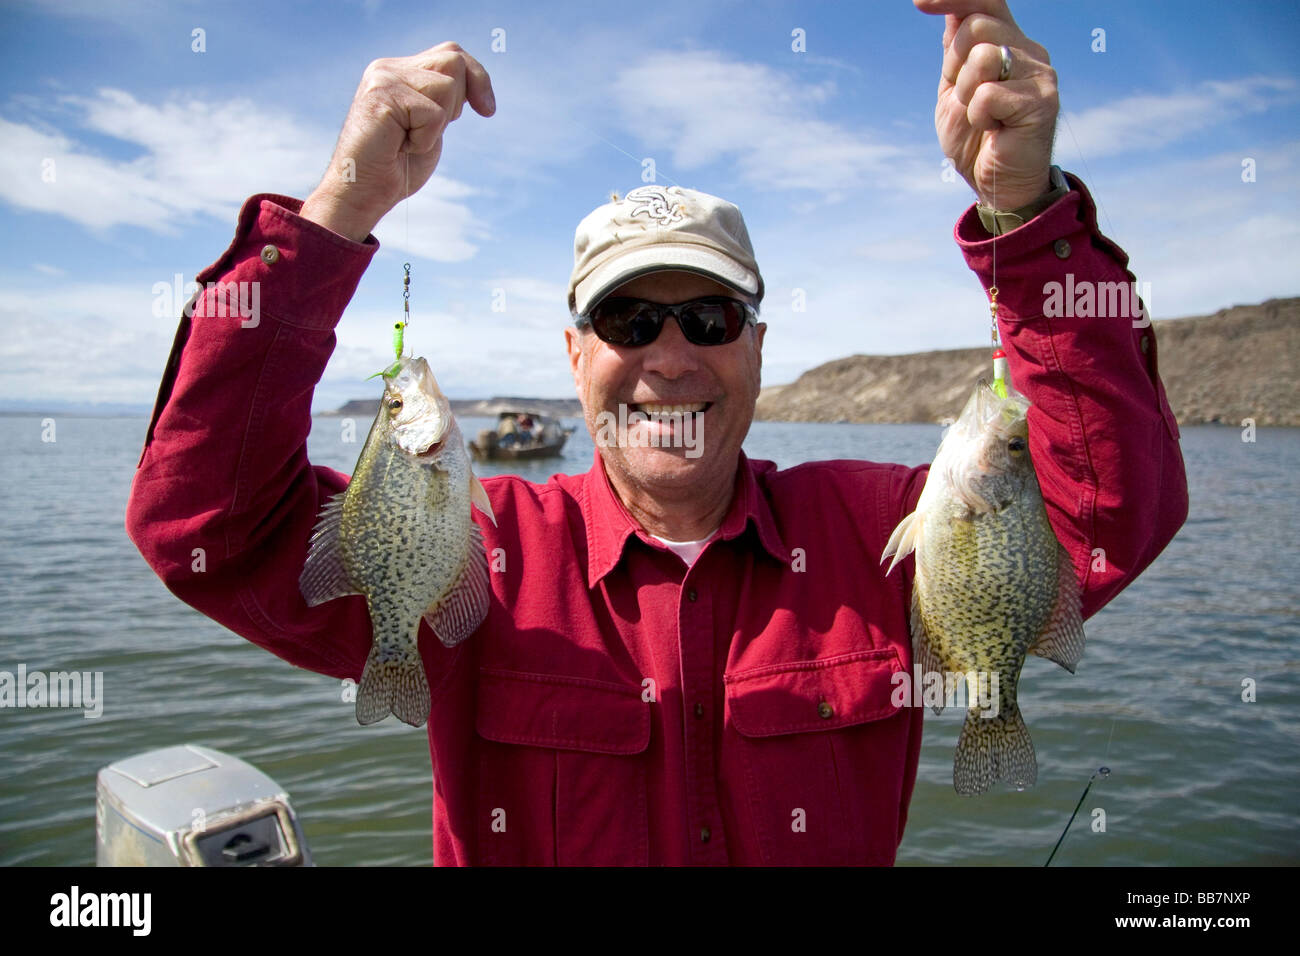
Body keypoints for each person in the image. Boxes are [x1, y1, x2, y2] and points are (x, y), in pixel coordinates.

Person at [126, 0, 1188, 865]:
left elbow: (1109, 513)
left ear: (758, 347)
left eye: (709, 318)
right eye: (628, 321)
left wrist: (1026, 221)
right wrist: (338, 209)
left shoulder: (880, 532)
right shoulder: (471, 546)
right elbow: (202, 527)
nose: (670, 356)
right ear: (574, 354)